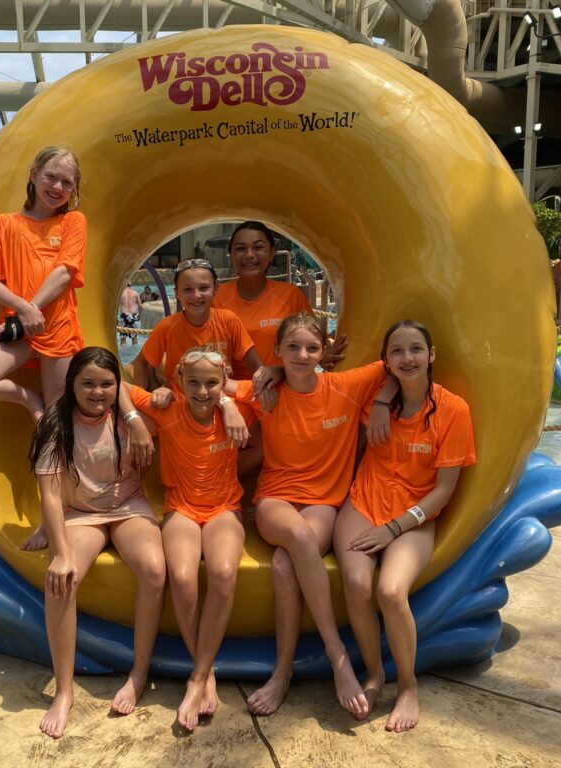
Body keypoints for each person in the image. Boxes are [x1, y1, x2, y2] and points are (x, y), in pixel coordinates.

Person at [236, 313, 394, 719]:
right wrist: (230, 401)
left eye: (311, 348)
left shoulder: (344, 386)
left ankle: (282, 671)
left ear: (324, 352)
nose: (302, 355)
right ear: (278, 351)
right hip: (275, 499)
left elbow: (397, 364)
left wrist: (378, 401)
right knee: (301, 540)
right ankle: (337, 654)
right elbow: (205, 383)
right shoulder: (264, 392)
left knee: (285, 565)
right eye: (292, 348)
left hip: (324, 501)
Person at [335, 321, 475, 732]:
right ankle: (376, 674)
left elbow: (444, 492)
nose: (407, 358)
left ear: (432, 355)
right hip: (364, 501)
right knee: (358, 585)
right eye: (397, 351)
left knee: (392, 591)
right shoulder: (379, 403)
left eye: (416, 349)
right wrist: (381, 400)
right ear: (386, 361)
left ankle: (408, 686)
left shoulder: (453, 410)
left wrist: (394, 529)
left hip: (414, 517)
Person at [32, 347, 166, 739]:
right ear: (71, 384)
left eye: (107, 384)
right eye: (87, 383)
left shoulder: (128, 418)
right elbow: (52, 494)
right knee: (61, 581)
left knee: (156, 569)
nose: (97, 391)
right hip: (82, 513)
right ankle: (64, 690)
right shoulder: (56, 425)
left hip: (128, 506)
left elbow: (181, 398)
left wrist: (138, 417)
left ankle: (138, 674)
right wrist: (59, 552)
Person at [126, 345, 256, 731]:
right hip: (181, 508)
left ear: (223, 382)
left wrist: (231, 402)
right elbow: (115, 385)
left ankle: (197, 678)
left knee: (222, 573)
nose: (202, 392)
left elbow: (276, 386)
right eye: (194, 382)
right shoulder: (166, 409)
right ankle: (207, 673)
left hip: (223, 508)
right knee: (181, 577)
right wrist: (136, 417)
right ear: (179, 380)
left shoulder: (237, 409)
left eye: (212, 383)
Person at [0, 146, 87, 422]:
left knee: (55, 419)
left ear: (74, 188)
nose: (57, 186)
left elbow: (65, 272)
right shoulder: (4, 223)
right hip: (18, 328)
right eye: (51, 176)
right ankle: (28, 397)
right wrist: (23, 310)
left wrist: (31, 308)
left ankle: (55, 465)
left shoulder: (73, 221)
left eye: (67, 182)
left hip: (58, 328)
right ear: (33, 174)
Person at [214, 221, 346, 379]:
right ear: (232, 255)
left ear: (272, 253)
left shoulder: (290, 295)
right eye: (240, 248)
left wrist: (324, 355)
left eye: (258, 247)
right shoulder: (215, 298)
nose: (249, 254)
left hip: (283, 390)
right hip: (234, 394)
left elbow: (312, 341)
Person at [133, 258, 261, 396]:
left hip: (219, 399)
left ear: (215, 288)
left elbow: (256, 366)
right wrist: (143, 397)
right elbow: (141, 362)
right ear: (177, 293)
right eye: (188, 289)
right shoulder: (168, 327)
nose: (196, 295)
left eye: (204, 288)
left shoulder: (228, 321)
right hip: (180, 403)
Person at [118, 282, 142, 346]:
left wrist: (115, 319)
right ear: (130, 285)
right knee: (134, 337)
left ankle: (124, 355)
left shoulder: (120, 293)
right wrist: (140, 316)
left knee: (123, 337)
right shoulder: (135, 293)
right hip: (133, 316)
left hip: (123, 316)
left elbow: (114, 307)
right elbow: (140, 306)